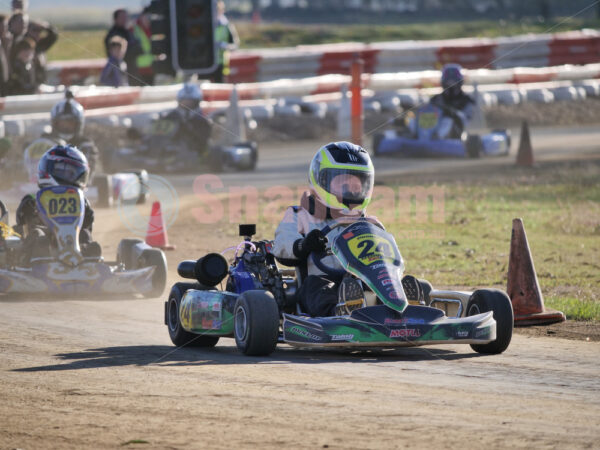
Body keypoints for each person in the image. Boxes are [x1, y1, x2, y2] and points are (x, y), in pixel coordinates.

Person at [271, 141, 381, 317]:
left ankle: (403, 309)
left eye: (356, 186)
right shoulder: (299, 215)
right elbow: (282, 245)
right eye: (343, 184)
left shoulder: (369, 223)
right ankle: (338, 313)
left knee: (380, 284)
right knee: (317, 287)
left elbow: (388, 259)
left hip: (359, 282)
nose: (350, 192)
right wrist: (304, 245)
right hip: (320, 284)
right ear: (321, 181)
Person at [14, 145, 101, 265]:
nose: (72, 177)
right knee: (39, 236)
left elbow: (87, 227)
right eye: (66, 171)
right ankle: (37, 259)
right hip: (36, 258)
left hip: (73, 246)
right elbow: (21, 229)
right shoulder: (32, 200)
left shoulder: (82, 202)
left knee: (85, 235)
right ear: (50, 169)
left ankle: (87, 262)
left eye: (76, 173)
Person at [44, 91, 100, 177]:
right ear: (55, 123)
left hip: (76, 186)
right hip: (47, 185)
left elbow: (88, 171)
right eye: (62, 123)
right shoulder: (45, 142)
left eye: (70, 123)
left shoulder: (86, 145)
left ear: (78, 124)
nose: (66, 127)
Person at [158, 83, 212, 156]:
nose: (186, 104)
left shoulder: (202, 121)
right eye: (184, 101)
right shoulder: (171, 116)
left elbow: (202, 143)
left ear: (196, 102)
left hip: (190, 154)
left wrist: (187, 129)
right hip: (167, 149)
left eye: (190, 102)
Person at [429, 63, 475, 139]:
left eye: (453, 83)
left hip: (457, 134)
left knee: (447, 120)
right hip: (434, 127)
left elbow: (467, 119)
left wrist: (451, 112)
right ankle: (417, 137)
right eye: (448, 83)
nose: (451, 86)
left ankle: (438, 138)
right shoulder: (435, 99)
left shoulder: (467, 100)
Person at [104, 9, 140, 86]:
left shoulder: (128, 32)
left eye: (126, 17)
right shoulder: (112, 35)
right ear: (115, 19)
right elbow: (103, 78)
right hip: (120, 79)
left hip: (132, 72)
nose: (125, 19)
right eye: (122, 17)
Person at [211, 1, 239, 83]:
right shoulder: (200, 25)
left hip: (220, 65)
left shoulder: (226, 26)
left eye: (217, 9)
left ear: (222, 10)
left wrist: (223, 45)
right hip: (204, 65)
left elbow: (235, 46)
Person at [25, 19, 58, 85]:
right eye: (34, 30)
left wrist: (46, 27)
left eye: (40, 30)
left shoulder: (40, 44)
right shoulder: (23, 44)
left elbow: (53, 35)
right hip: (28, 81)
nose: (38, 33)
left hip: (40, 80)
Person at [132, 7, 154, 86]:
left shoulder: (155, 28)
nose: (148, 20)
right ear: (141, 16)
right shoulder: (134, 29)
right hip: (138, 68)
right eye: (146, 17)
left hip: (152, 67)